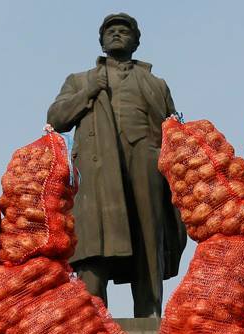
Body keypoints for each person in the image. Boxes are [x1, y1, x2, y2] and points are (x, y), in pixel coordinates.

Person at [47, 12, 186, 318]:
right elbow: (56, 119)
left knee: (148, 237)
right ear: (102, 41)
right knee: (93, 245)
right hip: (97, 171)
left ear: (136, 42)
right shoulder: (80, 80)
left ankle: (150, 315)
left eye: (125, 31)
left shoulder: (155, 84)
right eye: (111, 31)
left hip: (145, 163)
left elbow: (175, 129)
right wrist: (89, 91)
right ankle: (94, 319)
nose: (117, 34)